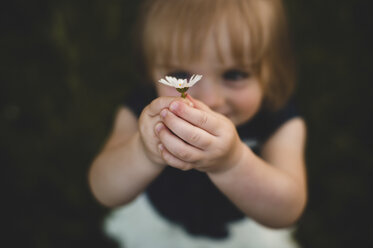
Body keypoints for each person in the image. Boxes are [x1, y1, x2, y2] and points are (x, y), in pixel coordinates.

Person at [88, 0, 307, 247]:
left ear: (271, 72)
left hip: (243, 231)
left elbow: (287, 210)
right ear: (152, 71)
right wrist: (143, 150)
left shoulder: (277, 118)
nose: (210, 100)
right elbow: (103, 189)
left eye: (234, 75)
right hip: (161, 224)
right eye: (181, 76)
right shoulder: (145, 111)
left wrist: (232, 163)